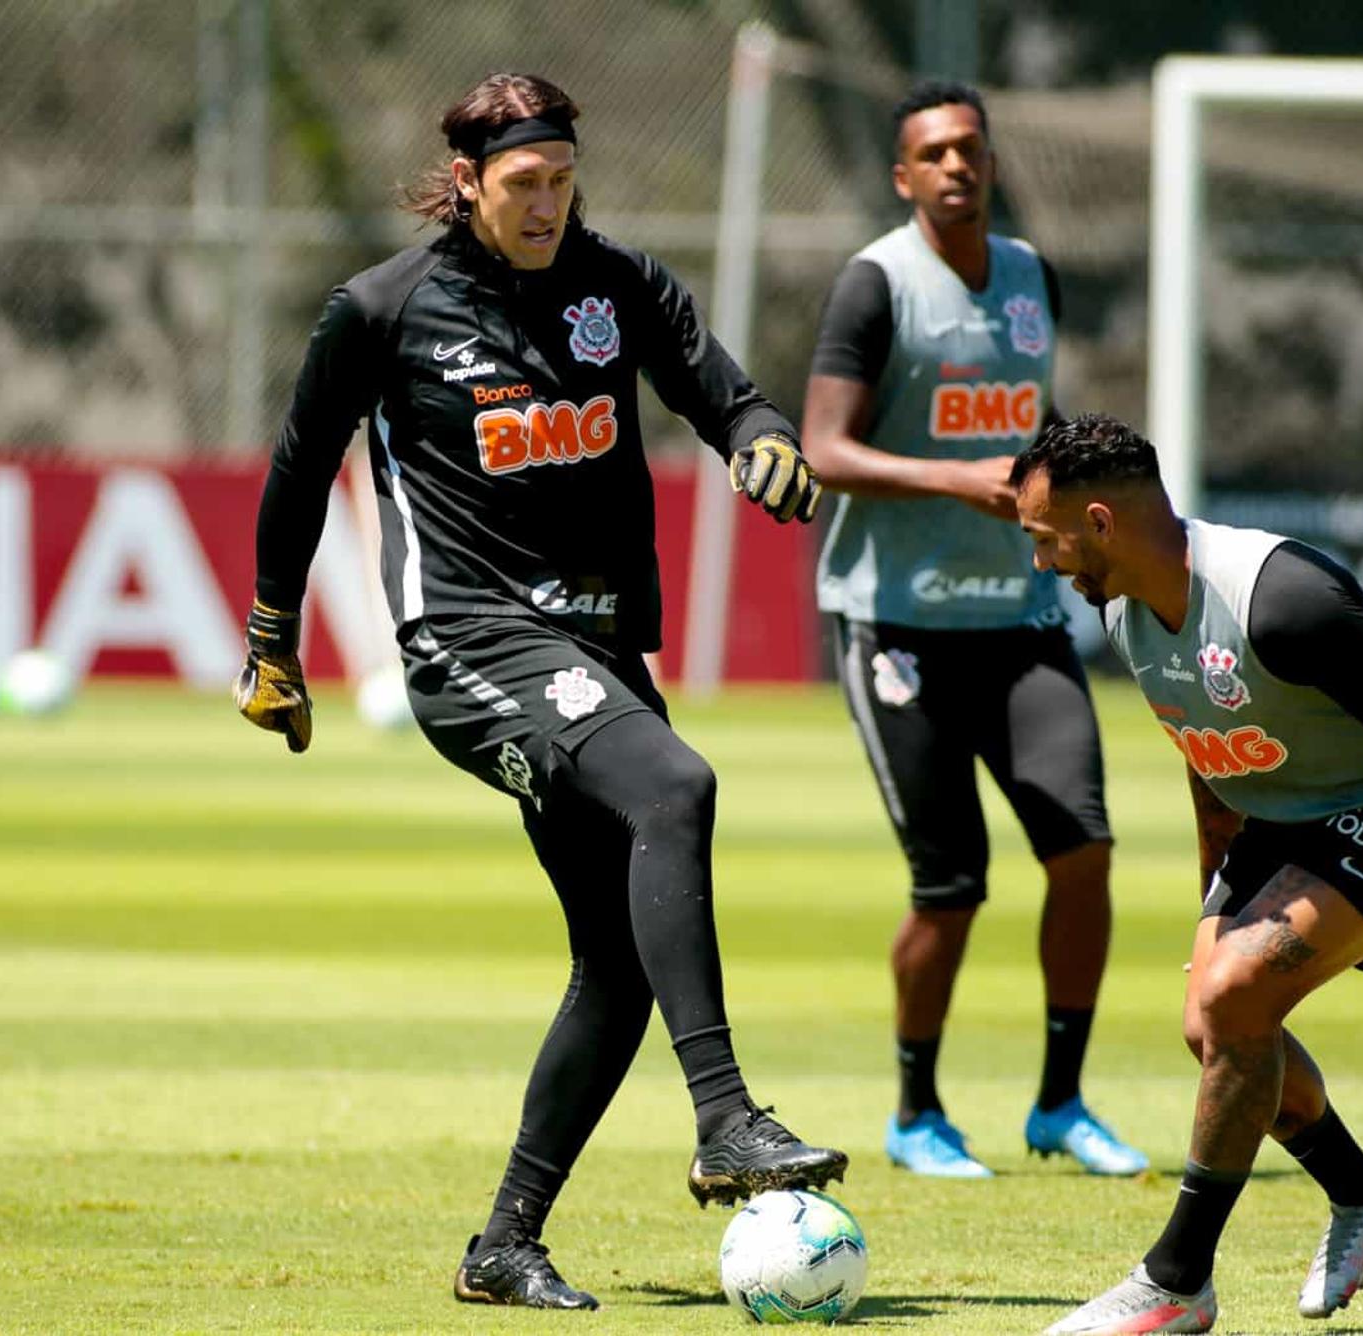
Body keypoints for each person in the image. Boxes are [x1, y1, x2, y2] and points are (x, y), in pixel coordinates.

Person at [233, 72, 845, 1312]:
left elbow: (725, 394)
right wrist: (270, 637)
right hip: (466, 641)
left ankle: (502, 1245)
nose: (548, 205)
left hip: (598, 654)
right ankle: (724, 1113)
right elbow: (301, 465)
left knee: (620, 969)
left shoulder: (622, 285)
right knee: (677, 785)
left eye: (563, 181)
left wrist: (762, 443)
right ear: (467, 183)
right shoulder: (383, 309)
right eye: (524, 185)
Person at [1013, 413, 1363, 1335]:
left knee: (1235, 1000)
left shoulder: (1281, 598)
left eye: (1044, 538)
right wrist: (1214, 894)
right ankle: (1362, 1192)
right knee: (1212, 1021)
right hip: (1286, 805)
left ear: (1100, 521)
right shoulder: (1122, 610)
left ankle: (1177, 1279)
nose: (1042, 563)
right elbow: (1205, 750)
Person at [800, 81, 1145, 1179]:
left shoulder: (1033, 275)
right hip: (895, 626)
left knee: (1083, 850)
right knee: (951, 883)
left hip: (1021, 618)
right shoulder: (875, 284)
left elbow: (1031, 431)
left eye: (970, 149)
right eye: (933, 152)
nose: (956, 165)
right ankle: (916, 1113)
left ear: (989, 163)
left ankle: (1059, 1103)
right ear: (903, 176)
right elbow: (824, 449)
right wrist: (958, 481)